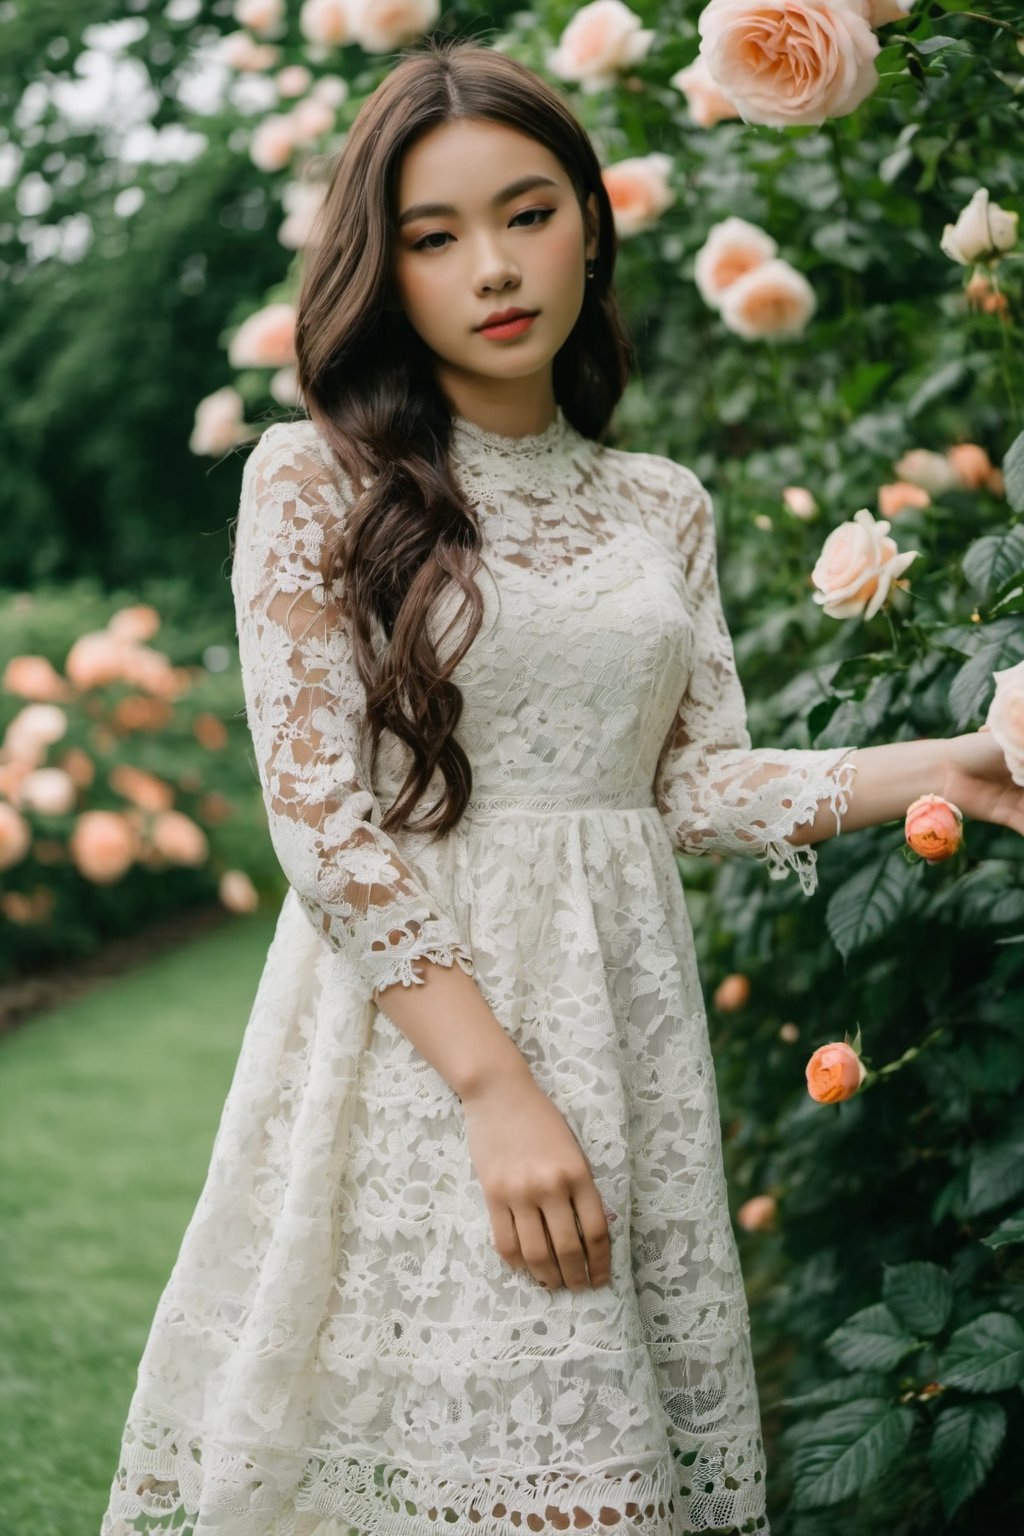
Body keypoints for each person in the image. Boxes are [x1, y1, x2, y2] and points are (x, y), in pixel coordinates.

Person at [99, 32, 1023, 1536]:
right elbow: (323, 820)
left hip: (620, 1032)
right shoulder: (315, 478)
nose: (494, 267)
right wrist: (491, 1087)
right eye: (434, 235)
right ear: (383, 270)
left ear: (590, 220)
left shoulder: (662, 502)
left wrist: (960, 770)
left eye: (527, 212)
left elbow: (697, 786)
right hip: (420, 1048)